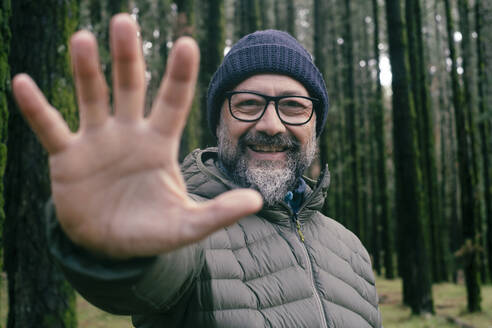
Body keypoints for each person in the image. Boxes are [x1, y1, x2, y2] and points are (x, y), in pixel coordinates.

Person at [13, 14, 382, 328]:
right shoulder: (184, 225)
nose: (271, 124)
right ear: (218, 123)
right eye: (248, 103)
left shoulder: (352, 251)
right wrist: (119, 242)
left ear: (315, 125)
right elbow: (149, 275)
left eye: (293, 106)